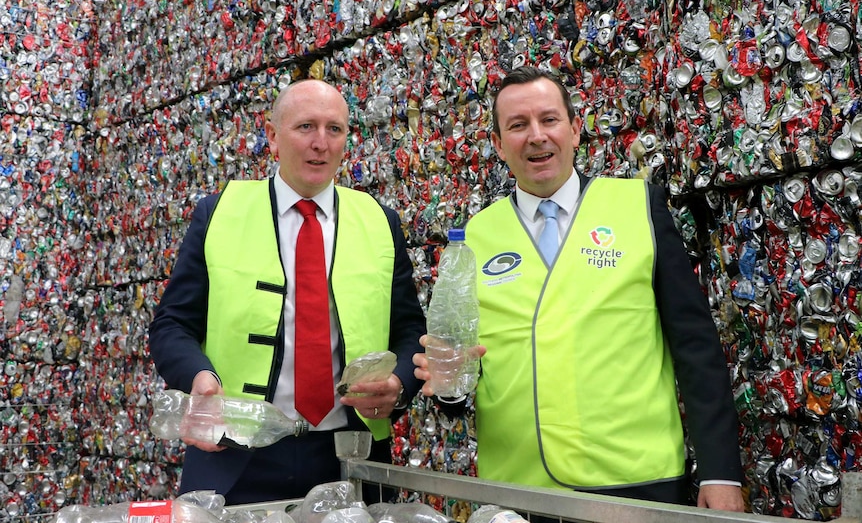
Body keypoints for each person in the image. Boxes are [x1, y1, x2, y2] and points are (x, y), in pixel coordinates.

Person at [414, 66, 745, 511]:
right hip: (520, 491)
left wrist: (720, 471)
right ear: (496, 144)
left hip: (635, 482)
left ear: (574, 129)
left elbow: (695, 346)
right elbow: (459, 375)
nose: (536, 136)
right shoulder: (474, 236)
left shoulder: (638, 206)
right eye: (517, 125)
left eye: (549, 120)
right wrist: (449, 386)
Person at [149, 78, 426, 505]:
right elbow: (172, 324)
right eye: (305, 127)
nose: (321, 143)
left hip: (347, 456)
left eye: (334, 129)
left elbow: (409, 330)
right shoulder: (218, 212)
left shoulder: (380, 221)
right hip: (235, 455)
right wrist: (199, 378)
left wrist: (400, 383)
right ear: (272, 135)